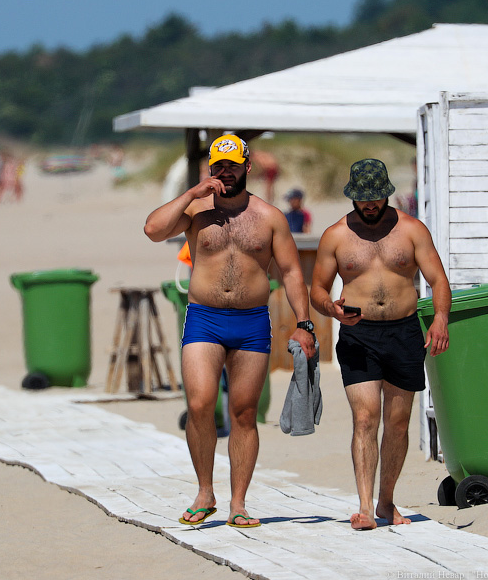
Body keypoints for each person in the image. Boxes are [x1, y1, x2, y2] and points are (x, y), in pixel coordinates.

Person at [144, 134, 316, 529]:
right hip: (204, 317)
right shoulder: (196, 210)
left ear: (246, 168)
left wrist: (304, 324)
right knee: (201, 404)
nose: (224, 173)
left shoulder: (269, 216)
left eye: (231, 166)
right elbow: (153, 229)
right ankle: (205, 492)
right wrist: (191, 193)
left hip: (252, 322)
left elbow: (290, 272)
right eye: (217, 166)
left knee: (243, 413)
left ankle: (238, 502)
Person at [310, 158, 451, 530]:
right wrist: (331, 309)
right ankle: (364, 506)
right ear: (352, 197)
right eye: (363, 200)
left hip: (405, 332)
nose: (370, 205)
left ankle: (387, 502)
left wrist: (439, 318)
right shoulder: (335, 235)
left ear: (386, 193)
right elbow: (318, 290)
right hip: (359, 334)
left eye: (376, 198)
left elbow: (437, 280)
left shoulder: (411, 230)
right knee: (365, 417)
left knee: (399, 421)